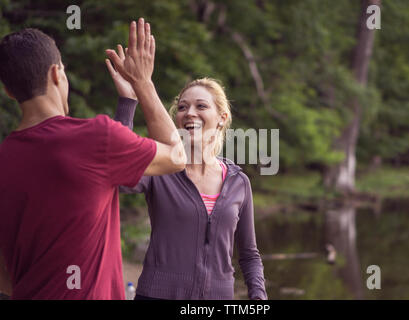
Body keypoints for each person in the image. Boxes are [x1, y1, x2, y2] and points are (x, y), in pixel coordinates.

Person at [0, 18, 186, 299]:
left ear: (9, 91)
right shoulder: (96, 138)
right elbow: (176, 155)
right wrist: (144, 83)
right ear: (55, 74)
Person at [108, 52, 267, 299]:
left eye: (201, 106)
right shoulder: (160, 169)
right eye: (182, 107)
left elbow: (249, 254)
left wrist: (258, 297)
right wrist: (128, 101)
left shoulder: (238, 182)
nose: (189, 112)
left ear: (222, 119)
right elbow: (117, 171)